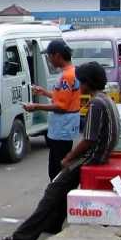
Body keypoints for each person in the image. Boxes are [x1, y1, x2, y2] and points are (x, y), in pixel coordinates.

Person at [3, 61, 119, 240]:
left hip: (92, 158)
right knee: (61, 189)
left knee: (53, 190)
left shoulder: (96, 104)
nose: (78, 86)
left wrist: (69, 158)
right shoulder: (106, 100)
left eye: (80, 82)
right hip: (99, 155)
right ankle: (54, 224)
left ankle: (24, 235)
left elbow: (88, 139)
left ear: (87, 83)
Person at [23, 40, 81, 180]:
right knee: (57, 169)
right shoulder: (72, 72)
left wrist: (36, 107)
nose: (48, 59)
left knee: (56, 172)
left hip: (62, 129)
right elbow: (64, 98)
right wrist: (45, 93)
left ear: (57, 55)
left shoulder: (67, 76)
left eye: (49, 56)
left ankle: (59, 199)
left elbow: (61, 107)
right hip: (62, 129)